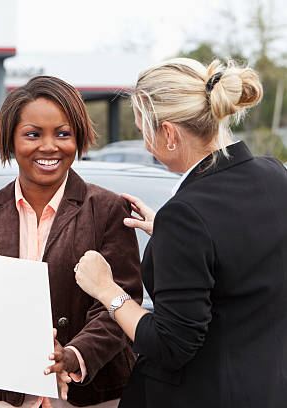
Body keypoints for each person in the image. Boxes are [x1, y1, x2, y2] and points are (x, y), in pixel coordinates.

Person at [74, 58, 287, 408]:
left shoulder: (186, 215)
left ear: (170, 133)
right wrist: (170, 233)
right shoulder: (273, 174)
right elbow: (246, 259)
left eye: (144, 130)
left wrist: (106, 289)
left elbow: (170, 345)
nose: (145, 145)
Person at [0, 76, 143, 408]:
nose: (49, 146)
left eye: (63, 133)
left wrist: (71, 356)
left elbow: (120, 308)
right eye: (33, 134)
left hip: (90, 396)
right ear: (10, 140)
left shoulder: (109, 210)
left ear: (78, 138)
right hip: (7, 398)